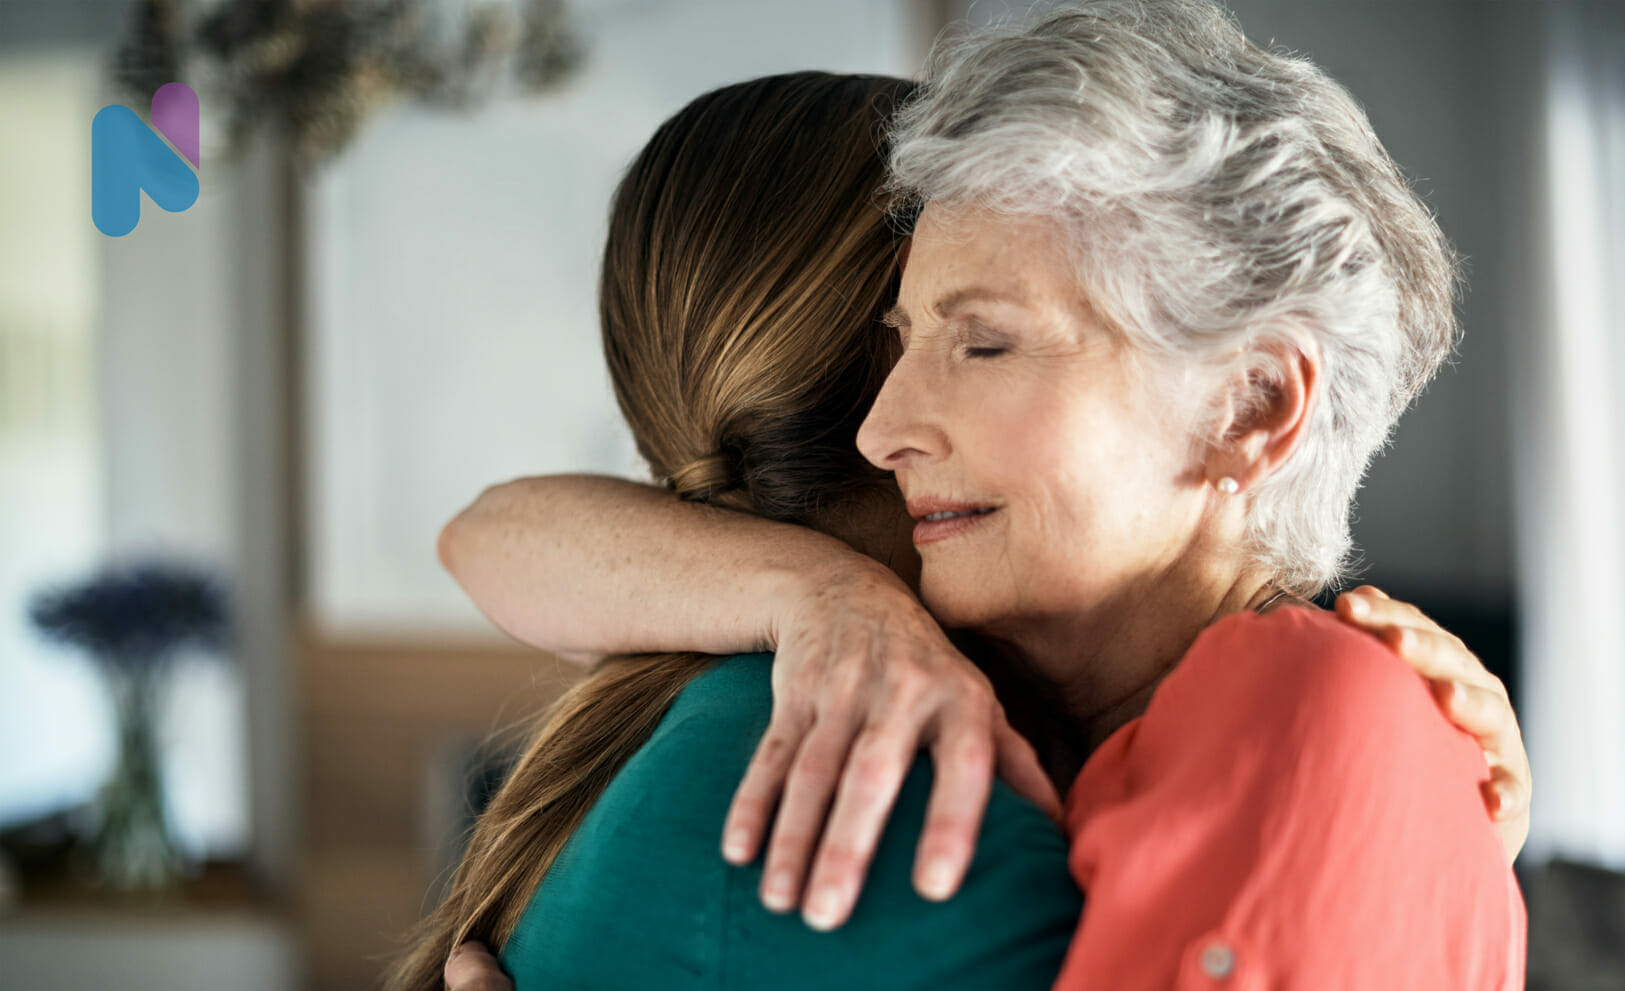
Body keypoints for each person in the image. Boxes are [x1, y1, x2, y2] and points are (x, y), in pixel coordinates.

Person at [434, 2, 1532, 986]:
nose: (882, 427)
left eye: (988, 344)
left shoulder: (1318, 715)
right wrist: (820, 594)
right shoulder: (980, 718)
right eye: (902, 341)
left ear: (1248, 406)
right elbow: (490, 535)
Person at [386, 71, 1084, 991]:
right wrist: (830, 591)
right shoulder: (932, 838)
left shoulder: (659, 710)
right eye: (978, 335)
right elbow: (477, 531)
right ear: (897, 360)